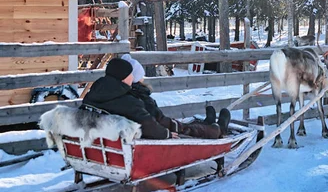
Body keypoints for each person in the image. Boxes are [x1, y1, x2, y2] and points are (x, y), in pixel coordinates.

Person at [81, 57, 230, 139]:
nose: (132, 78)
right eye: (129, 75)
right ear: (122, 78)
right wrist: (166, 134)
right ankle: (217, 130)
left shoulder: (94, 93)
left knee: (184, 127)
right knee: (185, 130)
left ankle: (210, 126)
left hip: (108, 140)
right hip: (142, 141)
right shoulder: (127, 100)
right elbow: (148, 124)